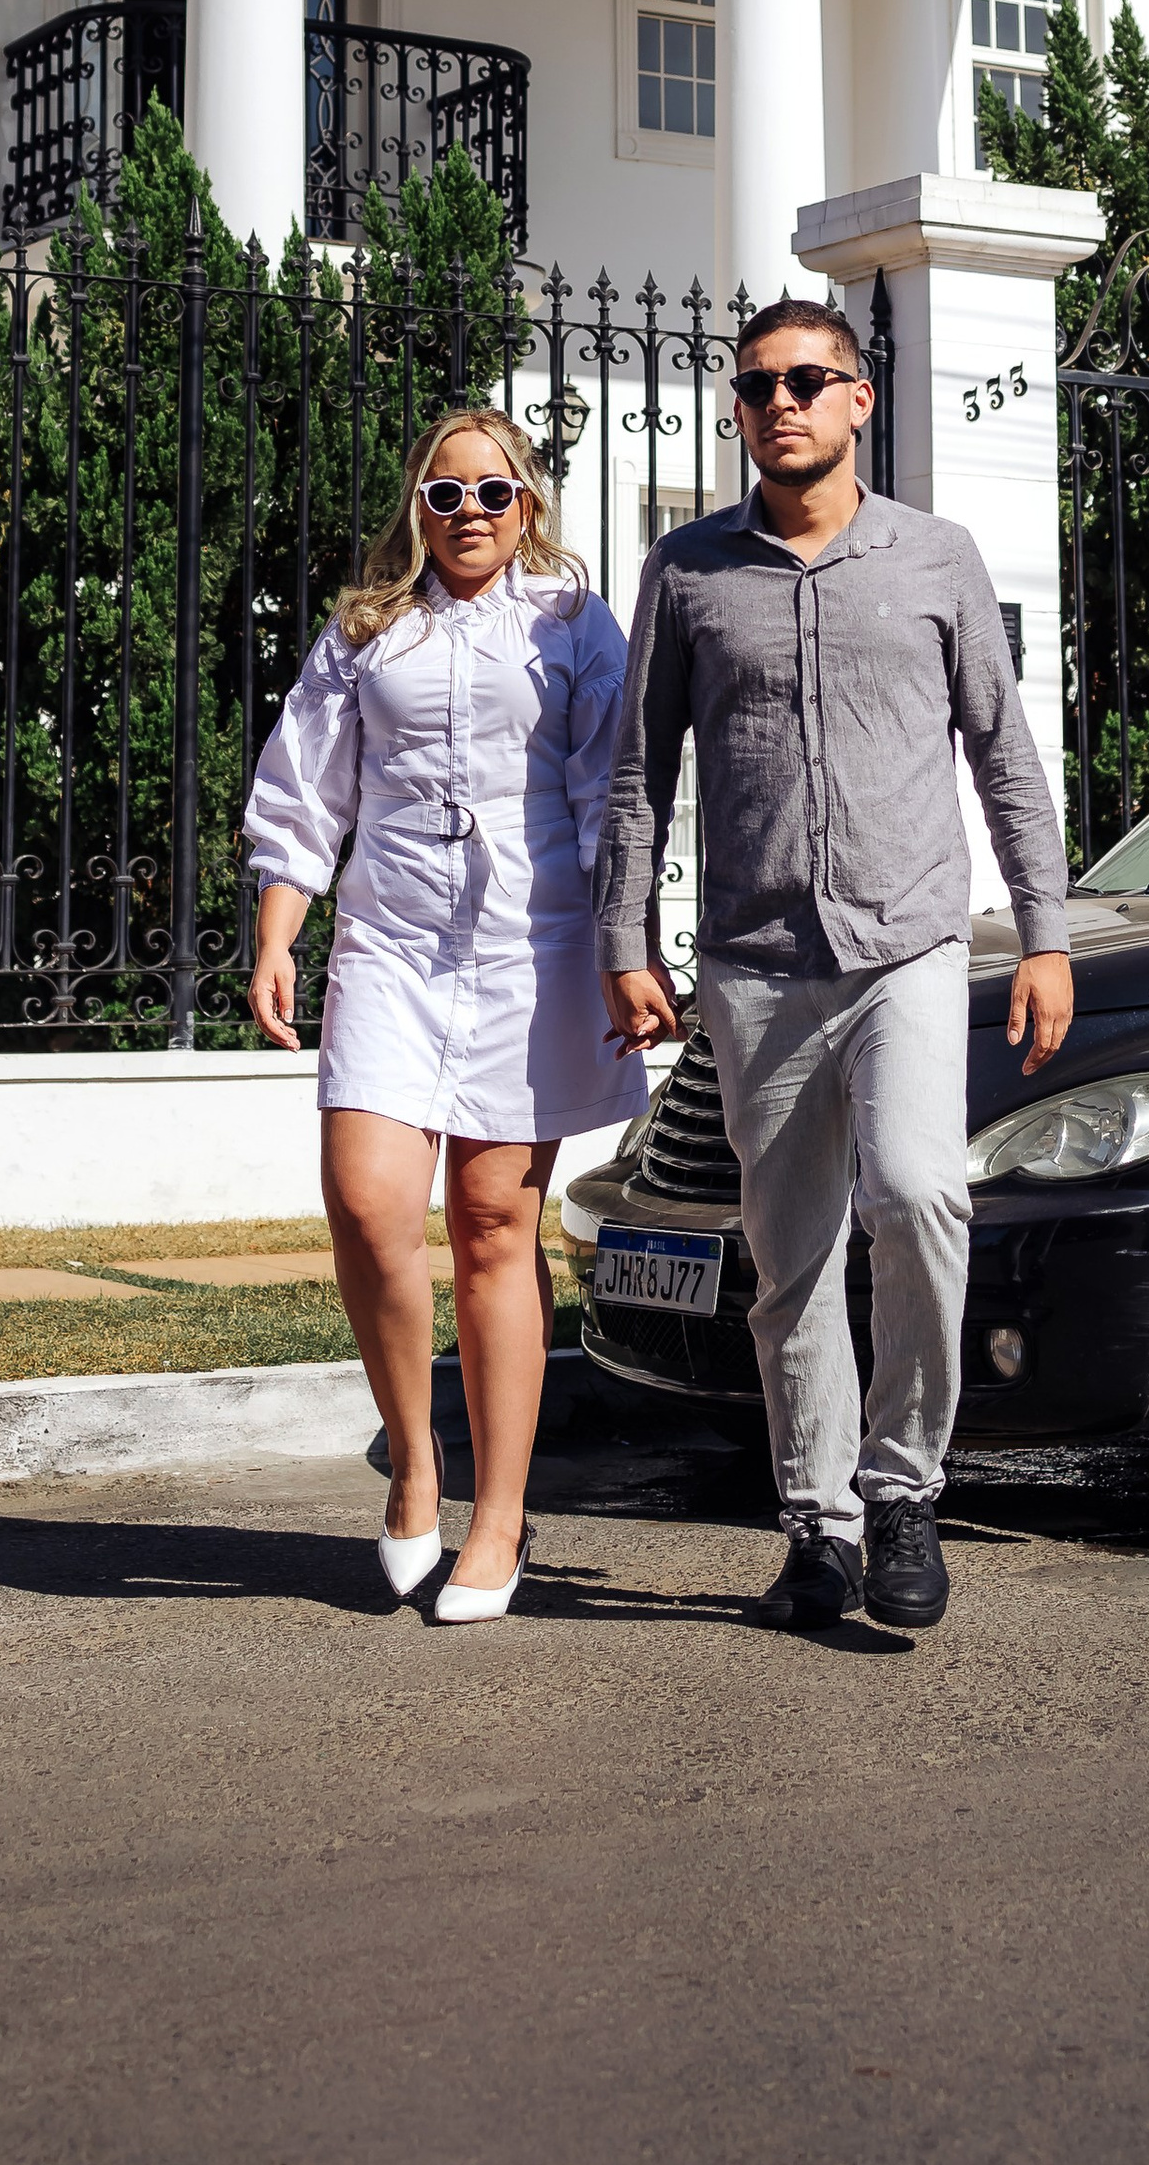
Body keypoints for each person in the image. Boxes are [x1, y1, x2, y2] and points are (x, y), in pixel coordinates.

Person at [596, 298, 1073, 1636]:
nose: (780, 403)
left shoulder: (936, 558)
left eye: (808, 380)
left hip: (906, 945)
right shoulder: (688, 573)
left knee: (921, 1193)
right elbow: (640, 778)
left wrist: (1047, 932)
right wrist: (622, 941)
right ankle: (819, 1526)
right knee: (787, 1252)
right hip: (753, 965)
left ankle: (906, 1484)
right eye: (755, 387)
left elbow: (1004, 754)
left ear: (860, 397)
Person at [246, 409, 647, 1621]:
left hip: (536, 951)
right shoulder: (366, 632)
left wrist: (623, 950)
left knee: (488, 1224)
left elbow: (608, 790)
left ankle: (502, 1516)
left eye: (492, 491)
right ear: (414, 507)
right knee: (368, 1207)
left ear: (528, 503)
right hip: (391, 947)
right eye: (444, 492)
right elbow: (306, 789)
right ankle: (414, 1462)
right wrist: (278, 926)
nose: (468, 513)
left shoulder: (576, 627)